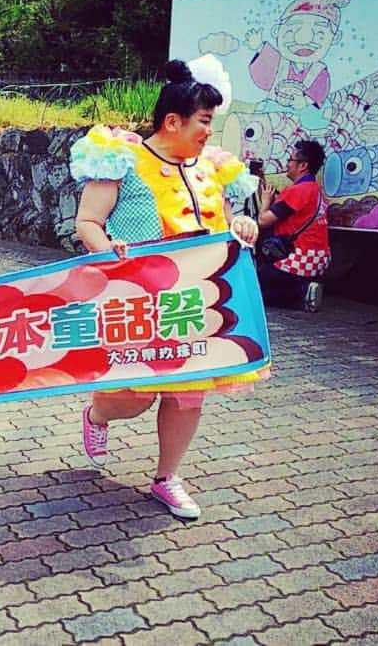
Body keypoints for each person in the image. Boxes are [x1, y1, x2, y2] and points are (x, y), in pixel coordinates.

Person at [71, 59, 261, 520]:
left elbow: (223, 220)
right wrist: (107, 249)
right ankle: (97, 416)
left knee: (188, 392)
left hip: (199, 298)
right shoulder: (121, 158)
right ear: (172, 121)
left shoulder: (212, 167)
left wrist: (242, 224)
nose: (208, 134)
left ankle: (166, 477)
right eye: (204, 123)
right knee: (134, 398)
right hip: (136, 298)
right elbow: (88, 222)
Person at [256, 139, 330, 312]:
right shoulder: (314, 189)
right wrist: (262, 183)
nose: (287, 164)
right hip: (319, 260)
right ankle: (306, 286)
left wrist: (265, 201)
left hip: (297, 259)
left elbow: (264, 220)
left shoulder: (297, 191)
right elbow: (279, 209)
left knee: (255, 291)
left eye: (291, 160)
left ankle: (302, 294)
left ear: (303, 165)